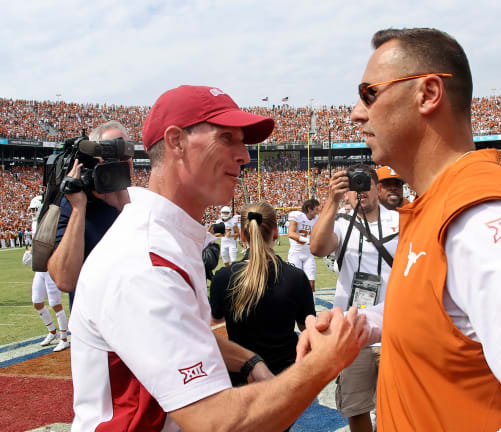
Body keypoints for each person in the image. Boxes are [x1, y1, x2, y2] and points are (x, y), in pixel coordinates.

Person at [338, 27, 501, 430]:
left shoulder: (481, 217)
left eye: (369, 92)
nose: (356, 112)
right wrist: (359, 325)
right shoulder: (434, 205)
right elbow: (439, 313)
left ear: (427, 93)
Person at [69, 85, 367, 431]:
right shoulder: (146, 257)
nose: (244, 155)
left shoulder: (165, 239)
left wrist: (248, 360)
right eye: (227, 139)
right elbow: (215, 422)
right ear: (176, 141)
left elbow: (179, 332)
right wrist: (325, 362)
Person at [310, 164, 399, 432]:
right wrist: (332, 200)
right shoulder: (338, 222)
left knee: (395, 405)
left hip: (393, 329)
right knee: (355, 406)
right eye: (353, 185)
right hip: (352, 330)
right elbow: (317, 247)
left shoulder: (401, 220)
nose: (360, 190)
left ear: (377, 188)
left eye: (365, 183)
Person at [210, 202, 316, 395]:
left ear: (242, 234)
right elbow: (308, 329)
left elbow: (216, 327)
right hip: (285, 378)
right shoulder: (296, 277)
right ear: (276, 232)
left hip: (240, 378)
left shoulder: (223, 277)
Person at [47, 120, 132, 309]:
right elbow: (65, 280)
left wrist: (124, 206)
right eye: (111, 153)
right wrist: (78, 208)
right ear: (94, 160)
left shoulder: (141, 202)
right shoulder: (74, 205)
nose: (123, 160)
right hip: (96, 328)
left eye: (126, 152)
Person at [28, 196, 69, 352]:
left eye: (34, 209)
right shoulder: (34, 224)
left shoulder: (51, 221)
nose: (32, 213)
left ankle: (64, 338)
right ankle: (52, 332)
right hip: (40, 268)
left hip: (49, 266)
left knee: (55, 304)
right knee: (37, 301)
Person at [287, 198, 320, 291]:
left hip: (309, 254)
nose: (318, 212)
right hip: (295, 254)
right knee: (296, 283)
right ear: (309, 209)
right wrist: (308, 240)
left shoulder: (316, 219)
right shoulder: (297, 216)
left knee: (311, 284)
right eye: (316, 209)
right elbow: (291, 233)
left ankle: (311, 304)